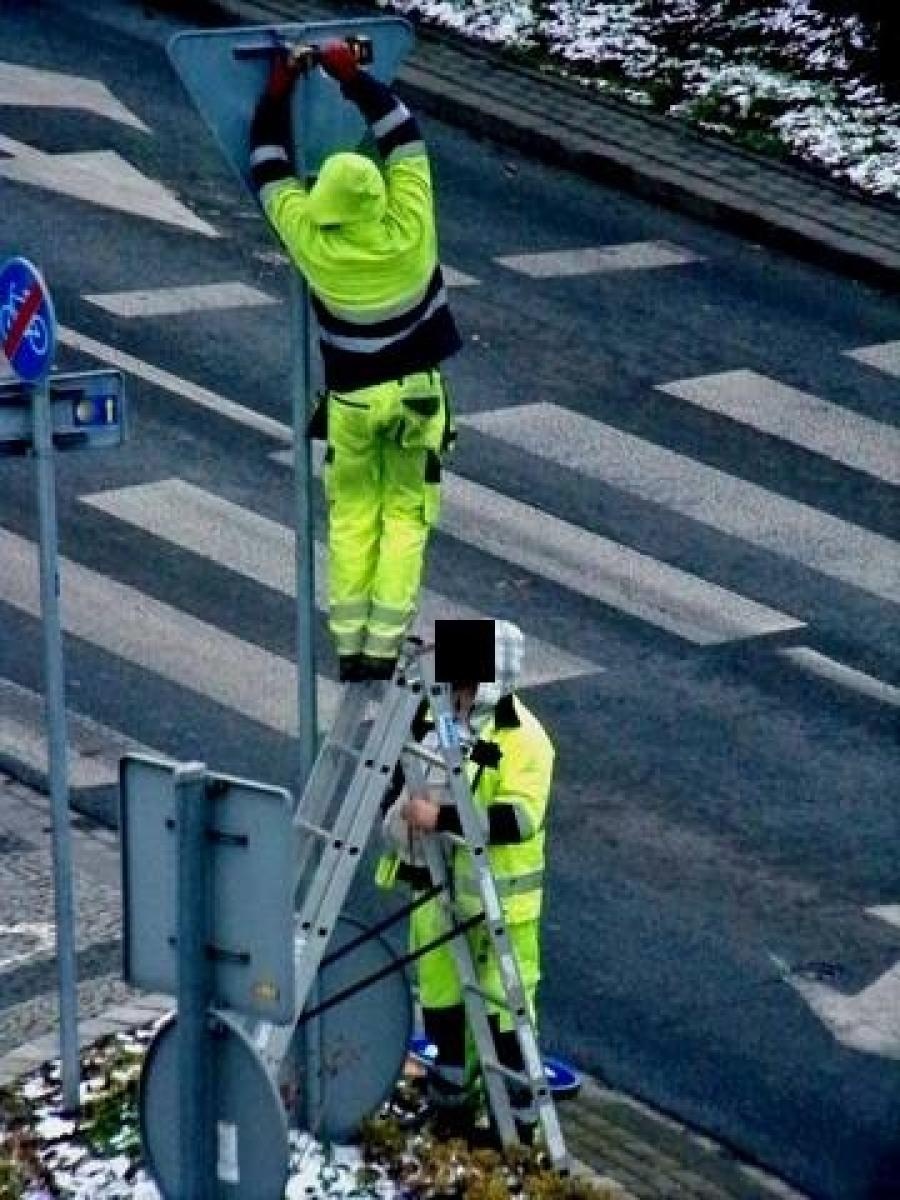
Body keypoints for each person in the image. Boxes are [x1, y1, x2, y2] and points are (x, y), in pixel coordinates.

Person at [249, 40, 462, 682]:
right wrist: (351, 75)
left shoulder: (314, 242)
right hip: (419, 395)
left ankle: (350, 646)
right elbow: (403, 135)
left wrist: (280, 87)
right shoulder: (409, 226)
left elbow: (267, 165)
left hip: (353, 404)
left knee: (351, 516)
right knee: (405, 512)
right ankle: (386, 644)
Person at [379, 620, 555, 1141]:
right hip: (439, 898)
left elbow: (516, 820)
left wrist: (443, 822)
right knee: (440, 1021)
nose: (455, 691)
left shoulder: (525, 740)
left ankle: (518, 1137)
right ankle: (449, 1116)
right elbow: (405, 755)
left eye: (462, 681)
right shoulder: (444, 720)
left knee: (507, 1030)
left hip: (502, 909)